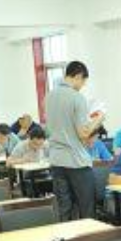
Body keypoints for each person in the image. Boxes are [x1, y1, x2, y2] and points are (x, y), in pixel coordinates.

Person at [45, 60, 106, 220]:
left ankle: (65, 236)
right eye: (83, 82)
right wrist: (99, 118)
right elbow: (83, 134)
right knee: (86, 207)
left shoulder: (49, 96)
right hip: (76, 161)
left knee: (64, 208)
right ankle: (87, 237)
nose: (83, 86)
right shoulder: (77, 97)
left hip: (56, 160)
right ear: (78, 76)